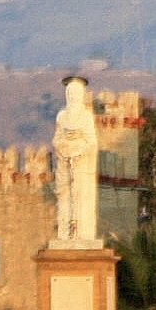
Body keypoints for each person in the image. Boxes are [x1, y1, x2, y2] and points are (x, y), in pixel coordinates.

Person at [53, 76, 98, 240]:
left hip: (81, 163)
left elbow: (92, 141)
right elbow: (57, 138)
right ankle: (65, 233)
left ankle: (83, 233)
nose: (72, 96)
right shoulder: (61, 116)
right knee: (65, 198)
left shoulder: (86, 116)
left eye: (76, 92)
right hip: (65, 161)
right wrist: (63, 150)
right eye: (70, 92)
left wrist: (79, 152)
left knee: (81, 197)